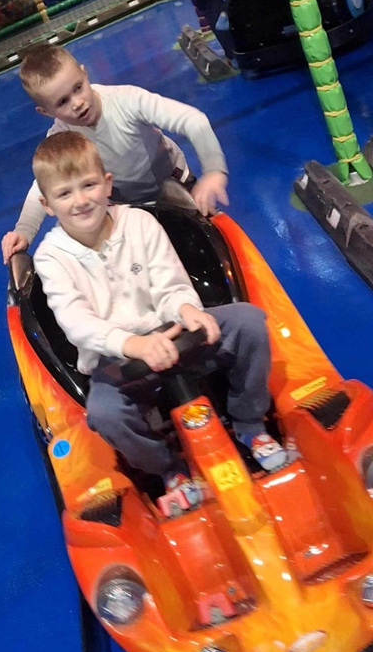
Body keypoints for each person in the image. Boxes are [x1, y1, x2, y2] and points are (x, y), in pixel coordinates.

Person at [31, 131, 287, 511]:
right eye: (65, 193)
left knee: (248, 322)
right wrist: (133, 345)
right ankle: (168, 468)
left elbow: (170, 283)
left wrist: (187, 310)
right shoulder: (51, 258)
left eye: (88, 185)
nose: (81, 200)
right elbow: (76, 322)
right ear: (47, 204)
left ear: (107, 184)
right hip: (117, 360)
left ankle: (250, 423)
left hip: (175, 334)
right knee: (104, 413)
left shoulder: (139, 224)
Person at [1, 44, 229, 264]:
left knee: (209, 244)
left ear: (84, 74)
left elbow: (193, 121)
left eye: (78, 87)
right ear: (45, 112)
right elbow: (45, 184)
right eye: (62, 102)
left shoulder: (125, 100)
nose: (77, 103)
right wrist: (24, 230)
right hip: (124, 206)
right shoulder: (61, 137)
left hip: (174, 185)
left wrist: (213, 171)